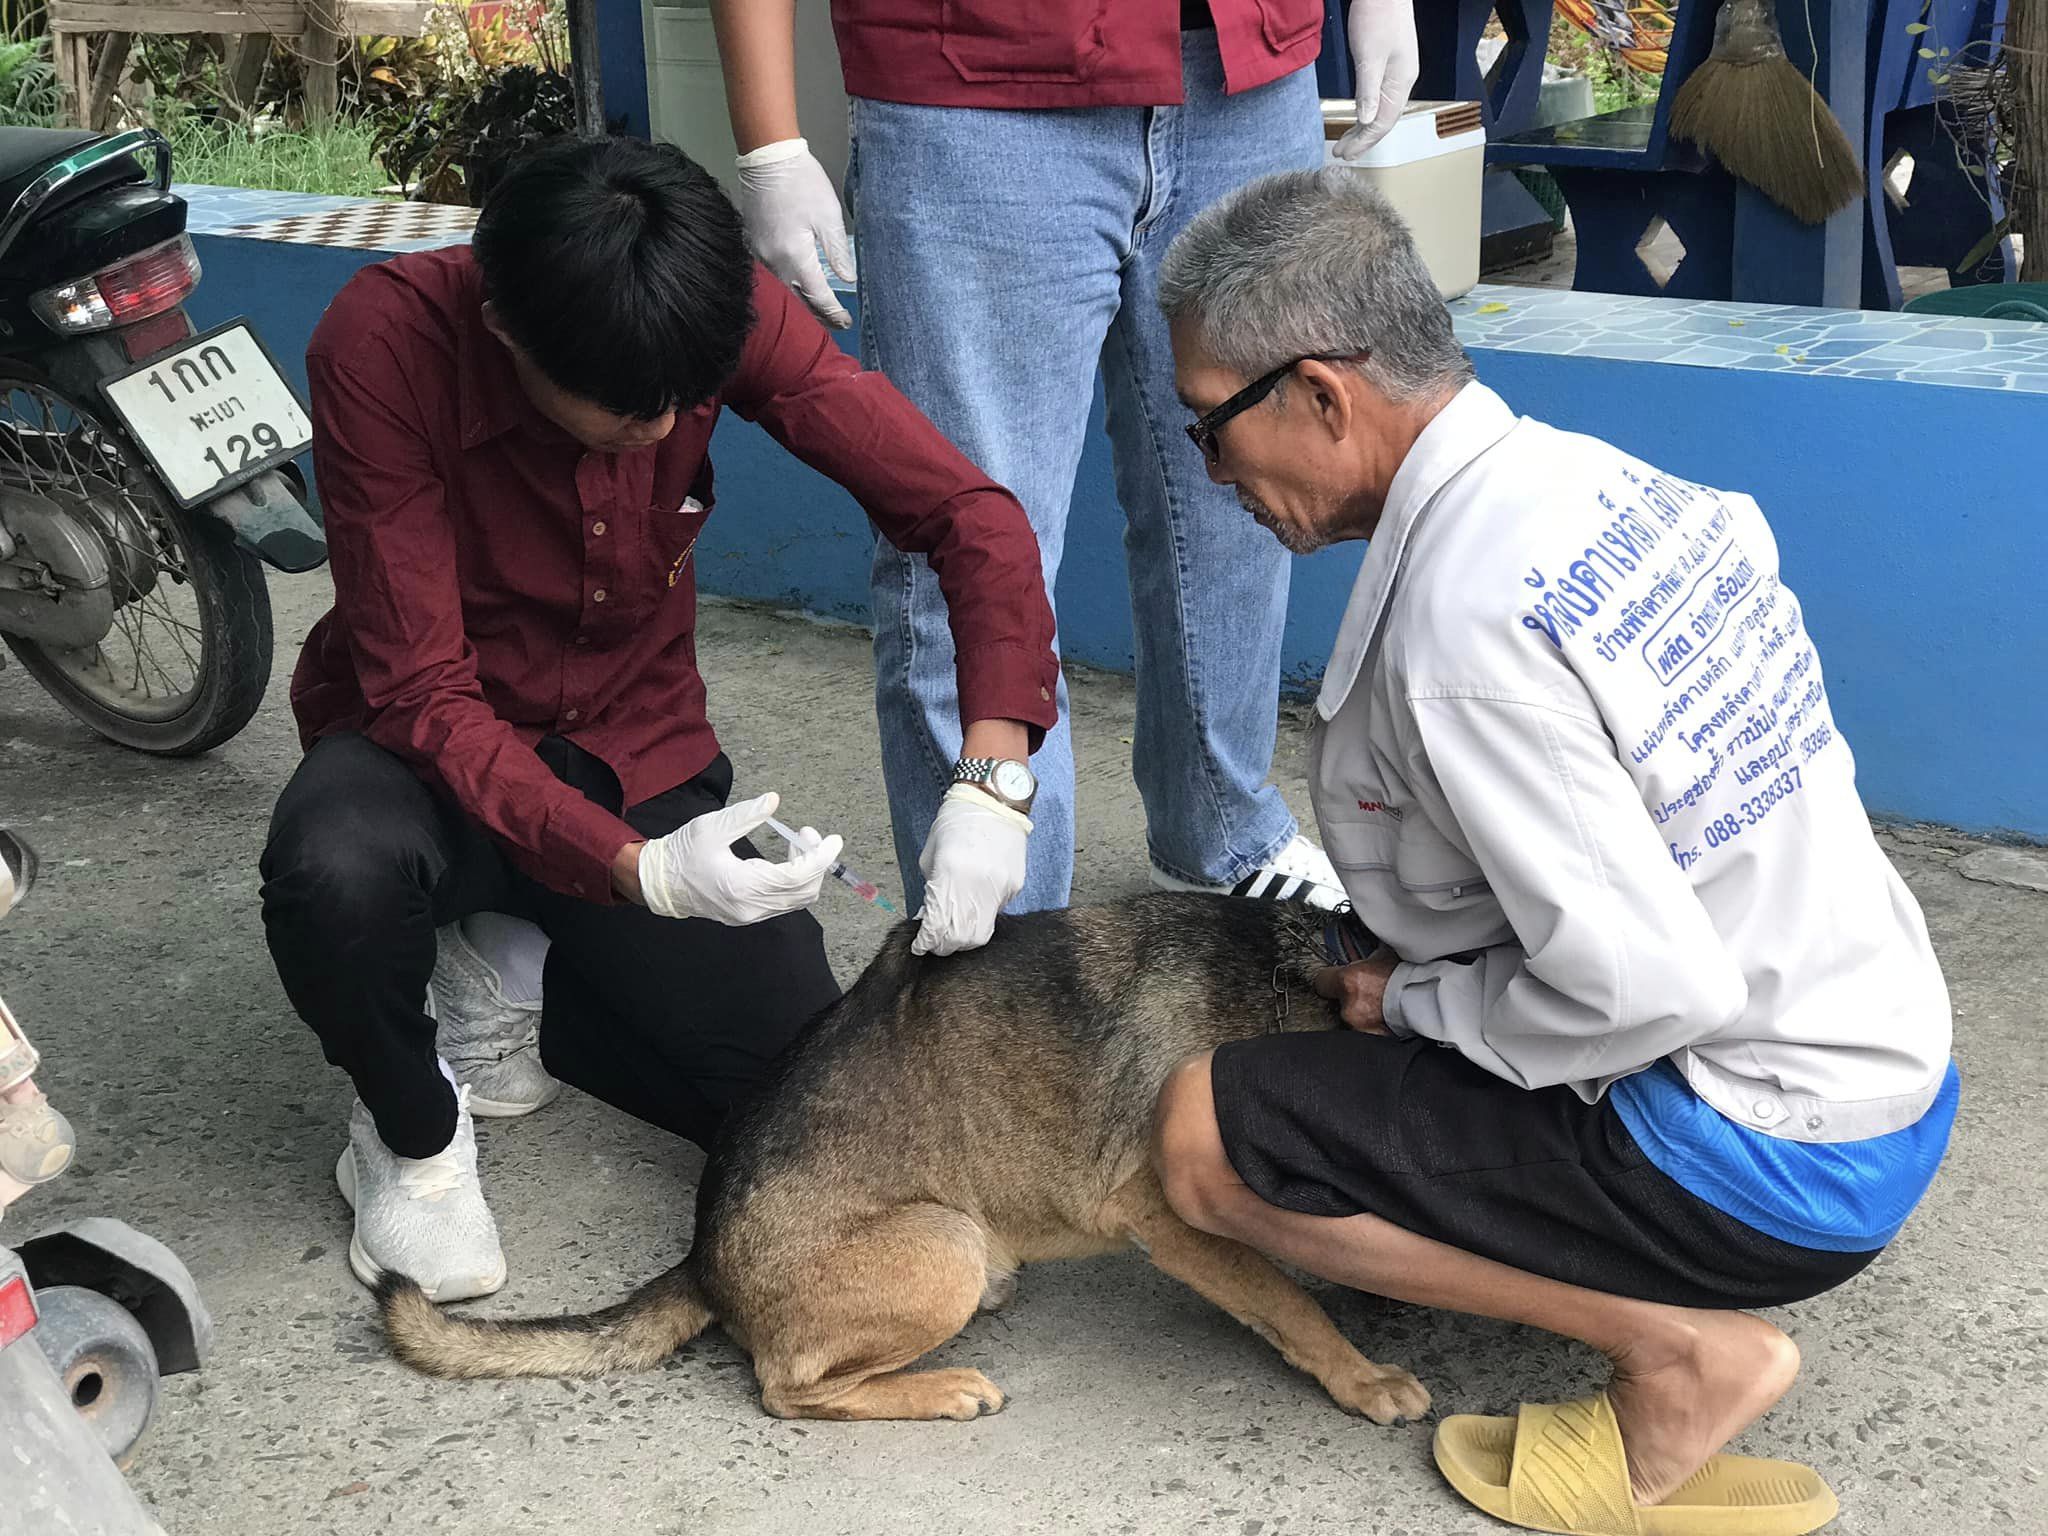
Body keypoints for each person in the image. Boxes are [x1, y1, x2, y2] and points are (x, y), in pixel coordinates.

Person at [1147, 168, 1957, 1535]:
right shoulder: (1594, 485)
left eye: (1208, 430)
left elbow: (1652, 992)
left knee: (1204, 1142)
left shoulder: (1464, 636)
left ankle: (1684, 1353)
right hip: (1891, 1070)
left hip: (1777, 1159)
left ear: (1324, 398)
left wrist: (1414, 1005)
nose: (1213, 473)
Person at [258, 136, 1058, 1303]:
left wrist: (994, 780)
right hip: (422, 748)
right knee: (333, 869)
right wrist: (639, 876)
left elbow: (965, 512)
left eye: (689, 397)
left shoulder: (712, 311)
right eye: (627, 413)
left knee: (792, 1092)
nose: (665, 424)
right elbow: (423, 691)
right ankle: (412, 1136)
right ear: (507, 333)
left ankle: (517, 965)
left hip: (632, 746)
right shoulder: (385, 342)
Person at [709, 0, 1420, 916]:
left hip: (1248, 74)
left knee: (1241, 503)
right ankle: (1005, 943)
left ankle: (1223, 832)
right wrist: (769, 140)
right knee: (964, 532)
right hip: (977, 84)